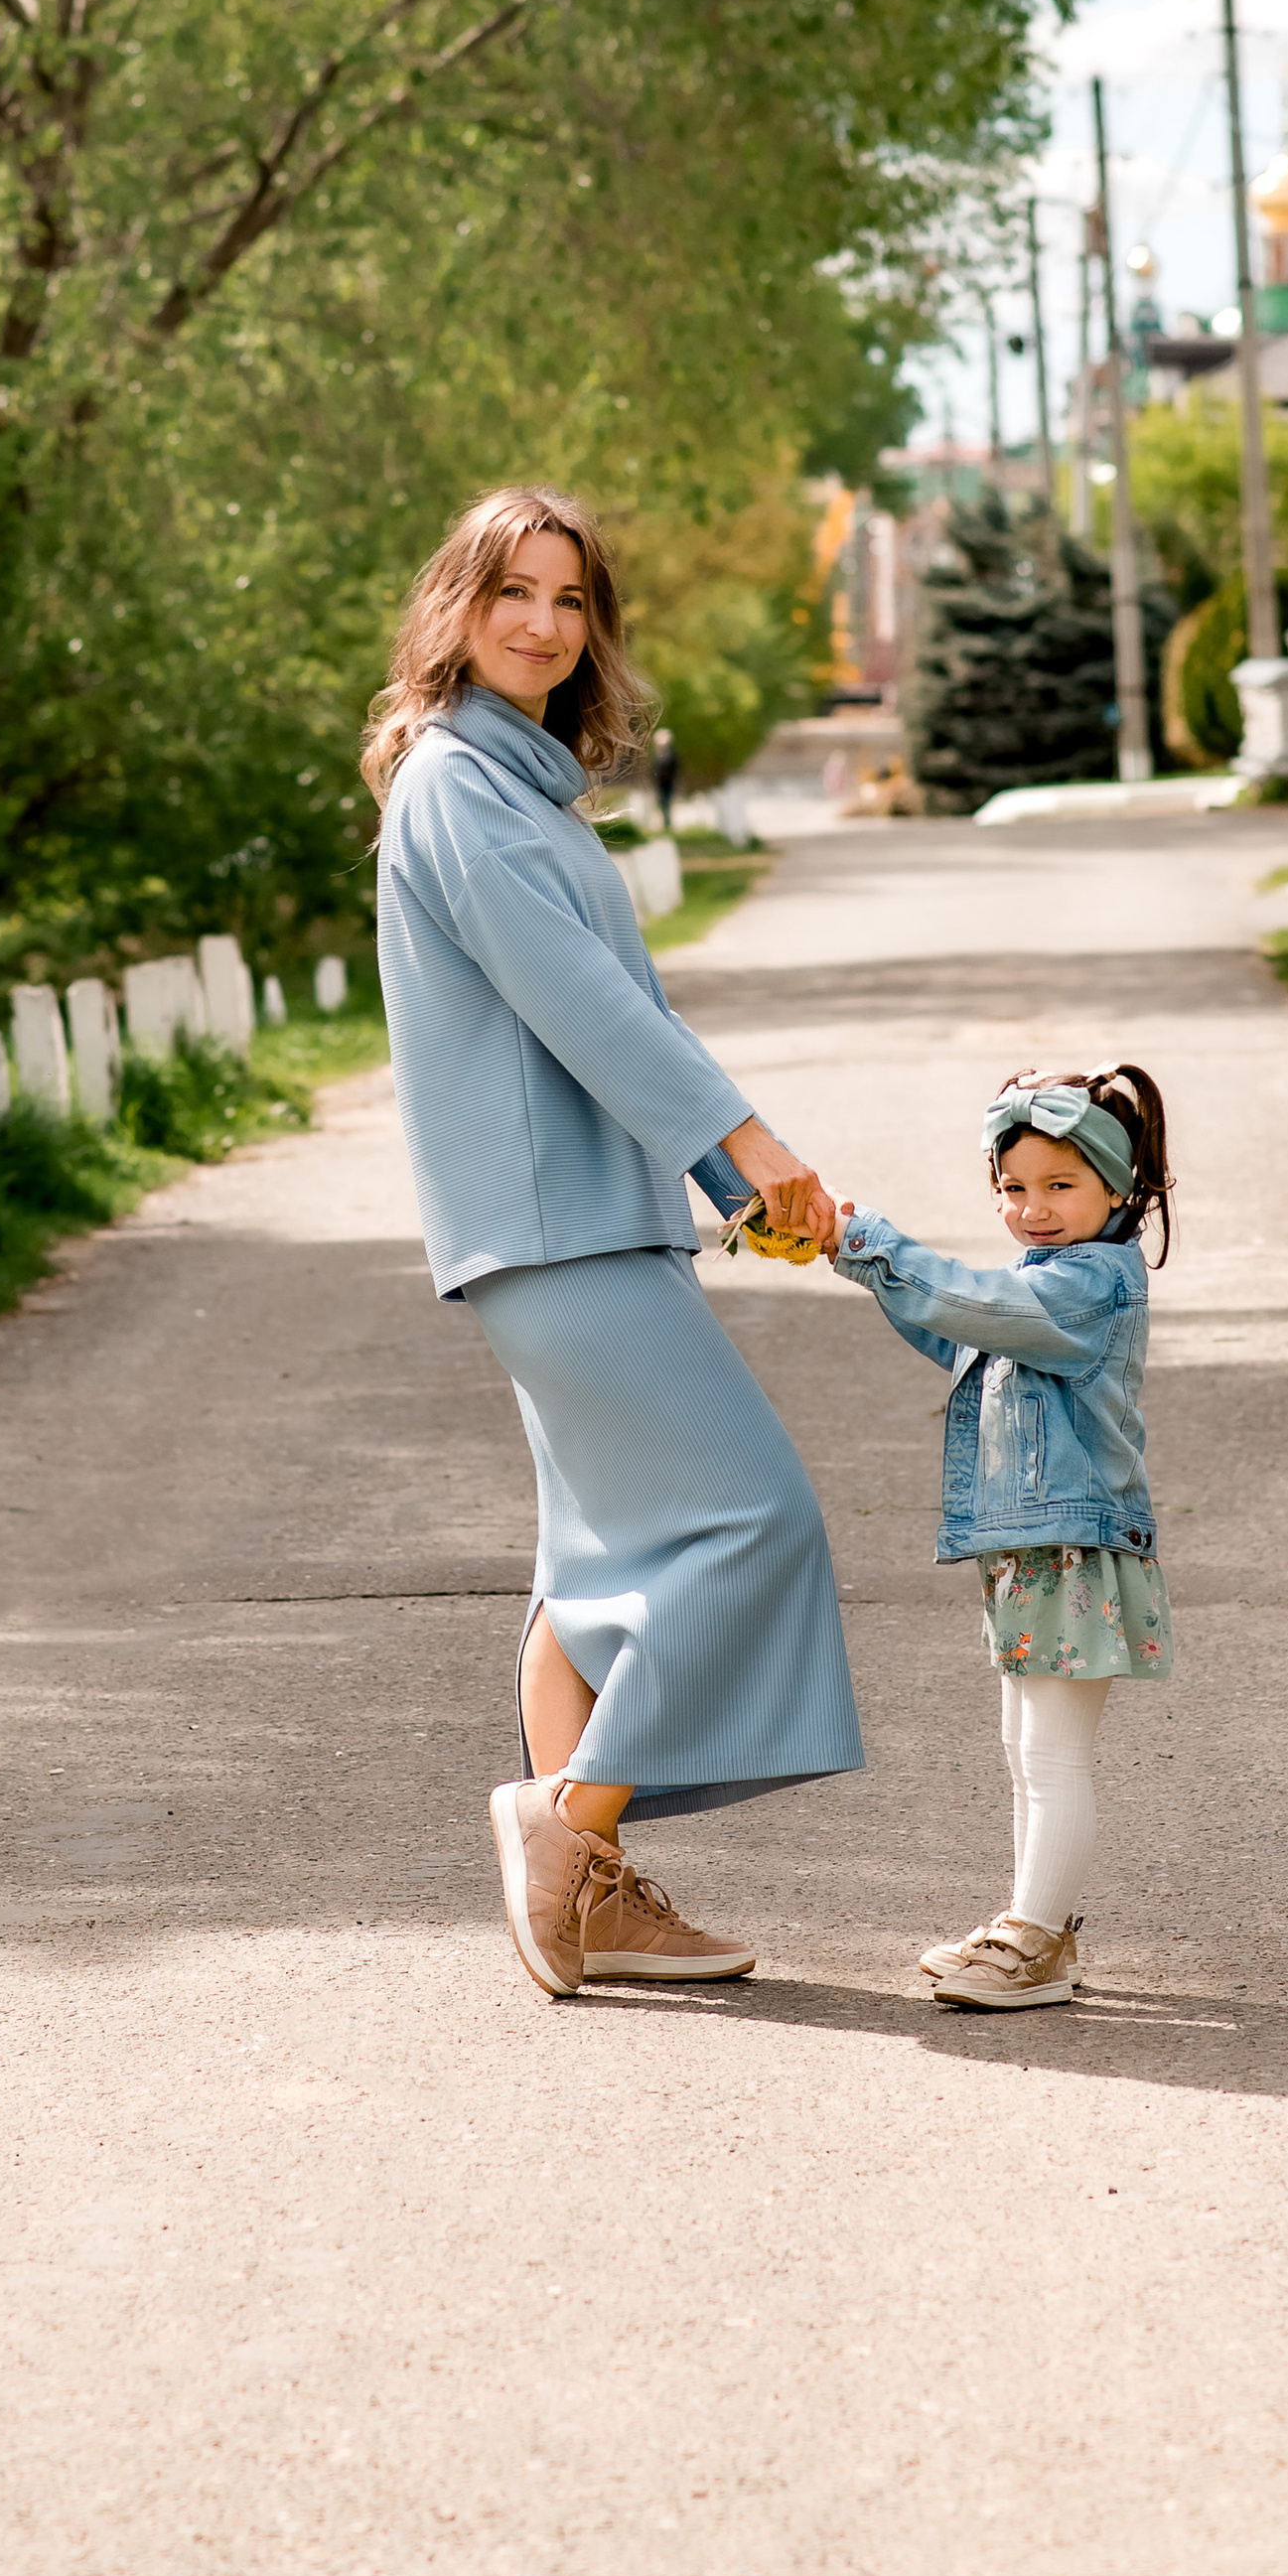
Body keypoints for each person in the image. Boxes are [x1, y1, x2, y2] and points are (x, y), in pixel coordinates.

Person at [365, 484, 863, 2000]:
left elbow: (617, 1002)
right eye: (512, 589)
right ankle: (565, 1824)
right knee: (755, 1518)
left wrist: (725, 1166)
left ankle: (589, 1901)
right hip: (551, 1224)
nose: (542, 621)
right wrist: (747, 1141)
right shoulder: (456, 785)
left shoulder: (521, 784)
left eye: (570, 599)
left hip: (585, 1219)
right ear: (454, 606)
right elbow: (578, 1008)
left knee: (590, 1569)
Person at [829, 1067, 1173, 2010]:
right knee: (1027, 1748)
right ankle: (1036, 1927)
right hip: (1033, 1548)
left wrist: (869, 1243)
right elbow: (959, 1329)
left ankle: (1033, 1943)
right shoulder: (1037, 1287)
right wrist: (858, 1261)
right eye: (1015, 1189)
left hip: (1075, 1545)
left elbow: (974, 1309)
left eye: (1060, 1186)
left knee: (1055, 1754)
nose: (1034, 1209)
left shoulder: (1092, 1283)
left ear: (1117, 1187)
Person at [648, 722, 680, 833]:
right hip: (660, 781)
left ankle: (668, 822)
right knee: (662, 801)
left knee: (667, 800)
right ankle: (664, 822)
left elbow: (675, 766)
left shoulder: (671, 754)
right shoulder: (657, 754)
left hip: (668, 780)